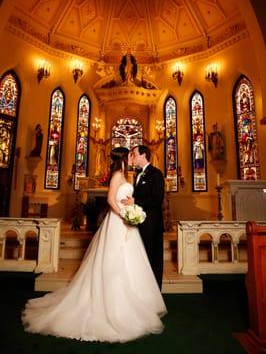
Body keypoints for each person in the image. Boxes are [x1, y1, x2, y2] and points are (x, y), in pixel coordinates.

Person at [22, 146, 167, 343]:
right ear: (124, 158)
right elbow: (111, 199)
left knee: (132, 263)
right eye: (130, 155)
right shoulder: (118, 175)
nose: (132, 157)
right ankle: (110, 303)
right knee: (113, 263)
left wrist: (131, 209)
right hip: (118, 223)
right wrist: (124, 213)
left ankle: (138, 300)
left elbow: (150, 198)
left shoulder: (136, 175)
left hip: (132, 225)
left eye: (134, 154)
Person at [121, 145, 165, 290]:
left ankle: (154, 292)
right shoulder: (137, 174)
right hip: (140, 224)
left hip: (152, 225)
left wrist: (135, 202)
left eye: (134, 154)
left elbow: (157, 199)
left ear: (143, 155)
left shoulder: (156, 174)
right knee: (141, 259)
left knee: (153, 259)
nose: (132, 157)